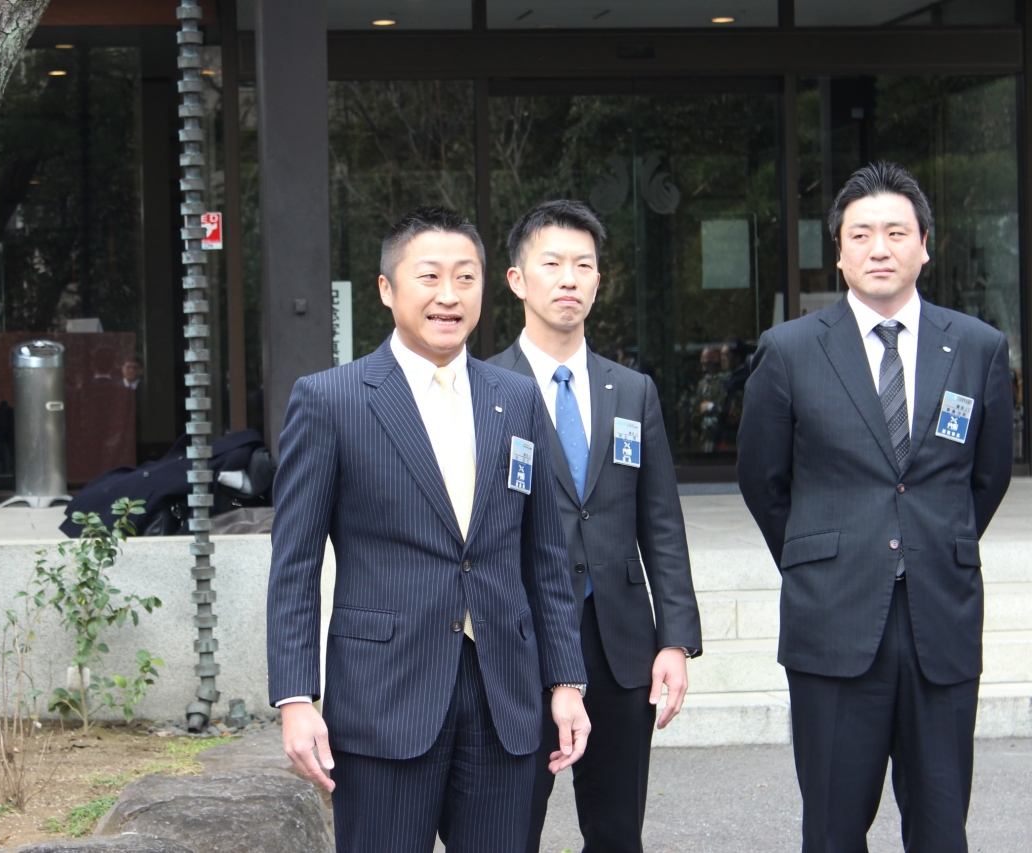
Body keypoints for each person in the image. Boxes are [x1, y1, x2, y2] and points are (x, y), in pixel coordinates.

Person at [267, 205, 590, 853]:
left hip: (503, 697)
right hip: (383, 699)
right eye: (430, 276)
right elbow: (295, 564)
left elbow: (545, 557)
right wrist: (296, 697)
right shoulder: (332, 400)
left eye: (465, 277)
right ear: (388, 289)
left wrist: (566, 681)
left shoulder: (515, 398)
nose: (449, 295)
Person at [737, 162, 1013, 852]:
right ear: (839, 251)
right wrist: (819, 553)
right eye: (861, 234)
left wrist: (930, 540)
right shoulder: (790, 350)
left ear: (925, 245)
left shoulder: (977, 347)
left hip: (941, 619)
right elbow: (763, 479)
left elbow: (987, 476)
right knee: (833, 829)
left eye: (896, 232)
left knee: (942, 827)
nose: (879, 248)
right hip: (832, 618)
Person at [489, 199, 702, 853]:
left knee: (616, 831)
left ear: (599, 281)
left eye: (583, 265)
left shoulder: (632, 390)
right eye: (551, 263)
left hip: (620, 643)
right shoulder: (485, 387)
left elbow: (660, 523)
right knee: (508, 827)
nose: (569, 279)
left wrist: (676, 640)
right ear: (517, 279)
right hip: (521, 640)